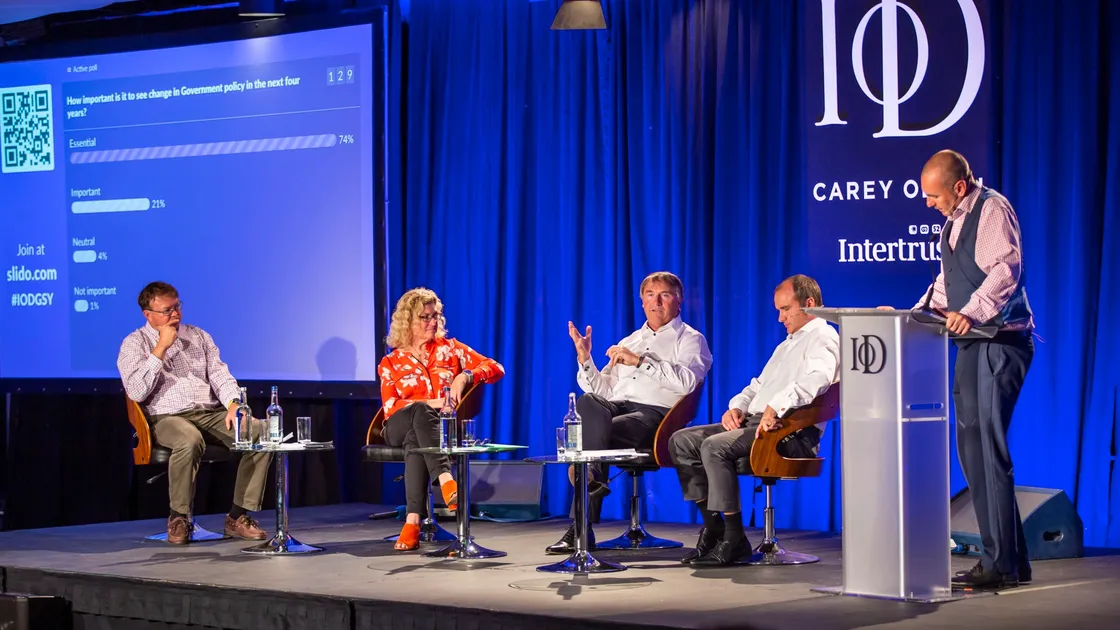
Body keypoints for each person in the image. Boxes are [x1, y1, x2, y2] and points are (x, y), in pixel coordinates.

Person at [892, 150, 1035, 588]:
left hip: (999, 341)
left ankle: (1000, 564)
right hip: (972, 343)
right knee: (972, 449)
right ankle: (1011, 560)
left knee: (987, 449)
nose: (928, 203)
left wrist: (970, 312)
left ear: (958, 186)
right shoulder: (952, 220)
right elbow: (946, 282)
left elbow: (1004, 271)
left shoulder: (991, 209)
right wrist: (909, 315)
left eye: (934, 196)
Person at [670, 275, 839, 565]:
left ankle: (734, 538)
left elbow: (818, 380)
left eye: (785, 309)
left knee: (714, 446)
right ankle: (714, 529)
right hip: (757, 423)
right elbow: (757, 386)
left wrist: (775, 407)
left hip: (790, 432)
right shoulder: (788, 344)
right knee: (681, 441)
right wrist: (736, 407)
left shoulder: (823, 336)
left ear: (809, 303)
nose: (780, 318)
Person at [547, 271, 712, 555]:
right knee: (588, 402)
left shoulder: (690, 339)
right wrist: (585, 359)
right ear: (642, 301)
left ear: (679, 300)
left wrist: (640, 362)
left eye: (664, 295)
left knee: (588, 439)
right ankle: (592, 480)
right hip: (615, 409)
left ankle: (581, 526)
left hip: (657, 417)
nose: (656, 302)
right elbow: (603, 391)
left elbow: (687, 383)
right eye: (650, 295)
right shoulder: (631, 339)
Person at [117, 281, 271, 545]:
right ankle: (179, 517)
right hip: (167, 418)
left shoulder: (199, 336)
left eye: (177, 306)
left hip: (209, 413)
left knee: (259, 431)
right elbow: (137, 392)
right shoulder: (134, 343)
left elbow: (220, 375)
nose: (175, 314)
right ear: (148, 314)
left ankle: (238, 516)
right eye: (167, 310)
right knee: (189, 438)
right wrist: (160, 349)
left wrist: (234, 403)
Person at [378, 288, 505, 551]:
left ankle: (413, 521)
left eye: (435, 316)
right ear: (407, 322)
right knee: (420, 412)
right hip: (396, 425)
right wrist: (437, 402)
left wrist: (464, 376)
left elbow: (495, 368)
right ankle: (446, 479)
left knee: (416, 439)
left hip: (435, 431)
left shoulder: (451, 350)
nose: (432, 322)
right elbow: (391, 407)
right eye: (424, 317)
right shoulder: (391, 362)